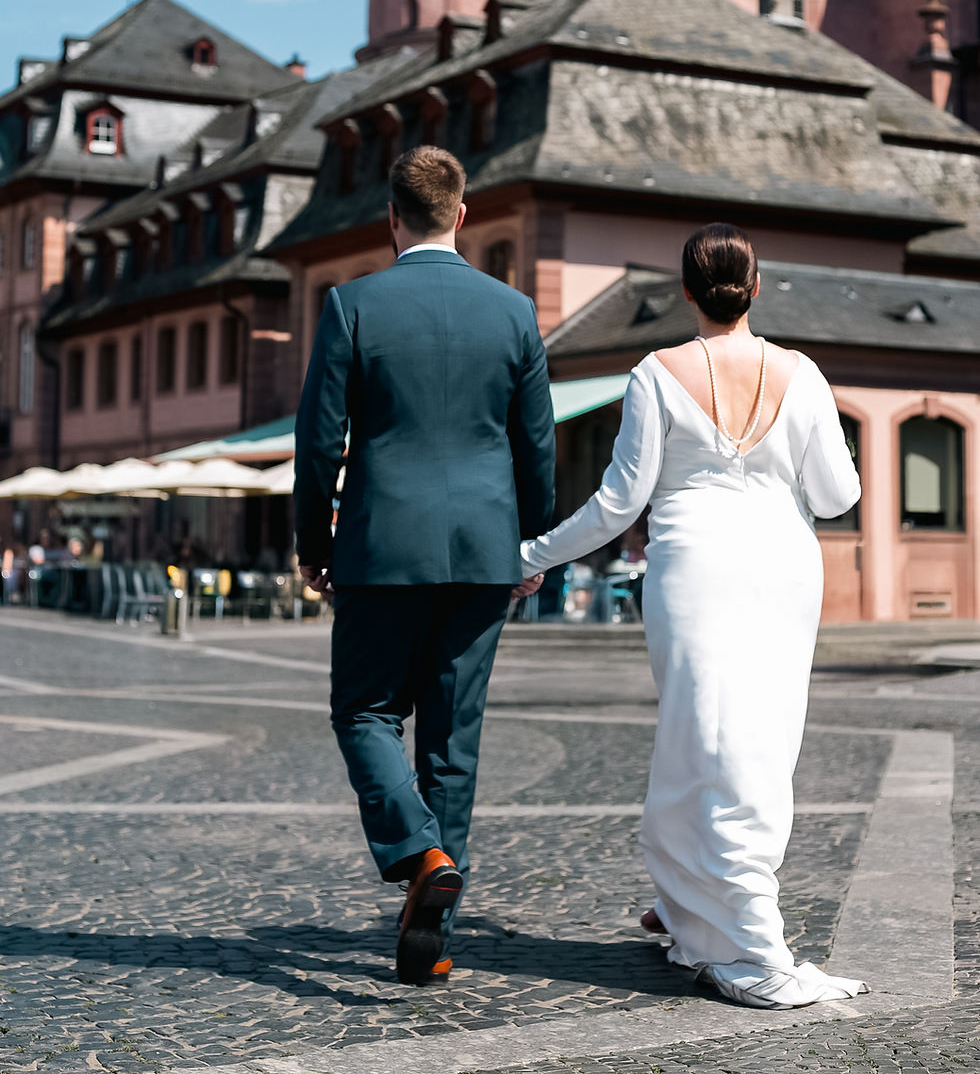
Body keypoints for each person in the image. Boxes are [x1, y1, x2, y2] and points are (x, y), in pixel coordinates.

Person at [520, 223, 868, 1009]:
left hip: (696, 569)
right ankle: (696, 908)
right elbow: (838, 498)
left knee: (700, 737)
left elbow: (619, 502)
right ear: (756, 286)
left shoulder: (655, 371)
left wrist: (532, 555)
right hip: (785, 566)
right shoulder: (803, 371)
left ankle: (717, 916)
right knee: (765, 743)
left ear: (685, 291)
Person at [294, 146, 555, 987]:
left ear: (392, 219)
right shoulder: (514, 312)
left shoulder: (351, 305)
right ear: (463, 213)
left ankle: (417, 850)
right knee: (453, 735)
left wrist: (312, 545)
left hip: (380, 546)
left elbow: (316, 444)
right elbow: (537, 444)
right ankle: (429, 937)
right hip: (484, 550)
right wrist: (534, 544)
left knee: (366, 712)